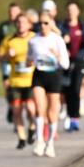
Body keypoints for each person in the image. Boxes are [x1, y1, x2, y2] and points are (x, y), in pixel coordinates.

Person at [28, 11, 70, 158]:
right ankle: (39, 141)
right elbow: (30, 57)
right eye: (40, 23)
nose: (43, 26)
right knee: (39, 108)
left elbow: (65, 64)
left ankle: (50, 143)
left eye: (46, 23)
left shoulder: (57, 40)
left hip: (54, 76)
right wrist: (28, 62)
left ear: (51, 24)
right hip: (39, 75)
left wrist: (56, 55)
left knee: (52, 113)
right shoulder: (33, 40)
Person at [0, 13, 36, 149]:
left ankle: (32, 127)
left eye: (24, 22)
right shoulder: (9, 40)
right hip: (15, 81)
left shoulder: (34, 38)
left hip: (31, 80)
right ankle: (21, 137)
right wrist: (8, 55)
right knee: (17, 111)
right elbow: (0, 57)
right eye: (19, 22)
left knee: (31, 109)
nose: (21, 25)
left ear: (29, 24)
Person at [59, 1, 84, 131]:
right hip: (65, 62)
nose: (71, 12)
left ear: (78, 12)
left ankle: (74, 119)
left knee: (76, 89)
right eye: (69, 10)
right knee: (66, 90)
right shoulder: (62, 26)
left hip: (79, 61)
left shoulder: (82, 27)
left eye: (73, 10)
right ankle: (68, 113)